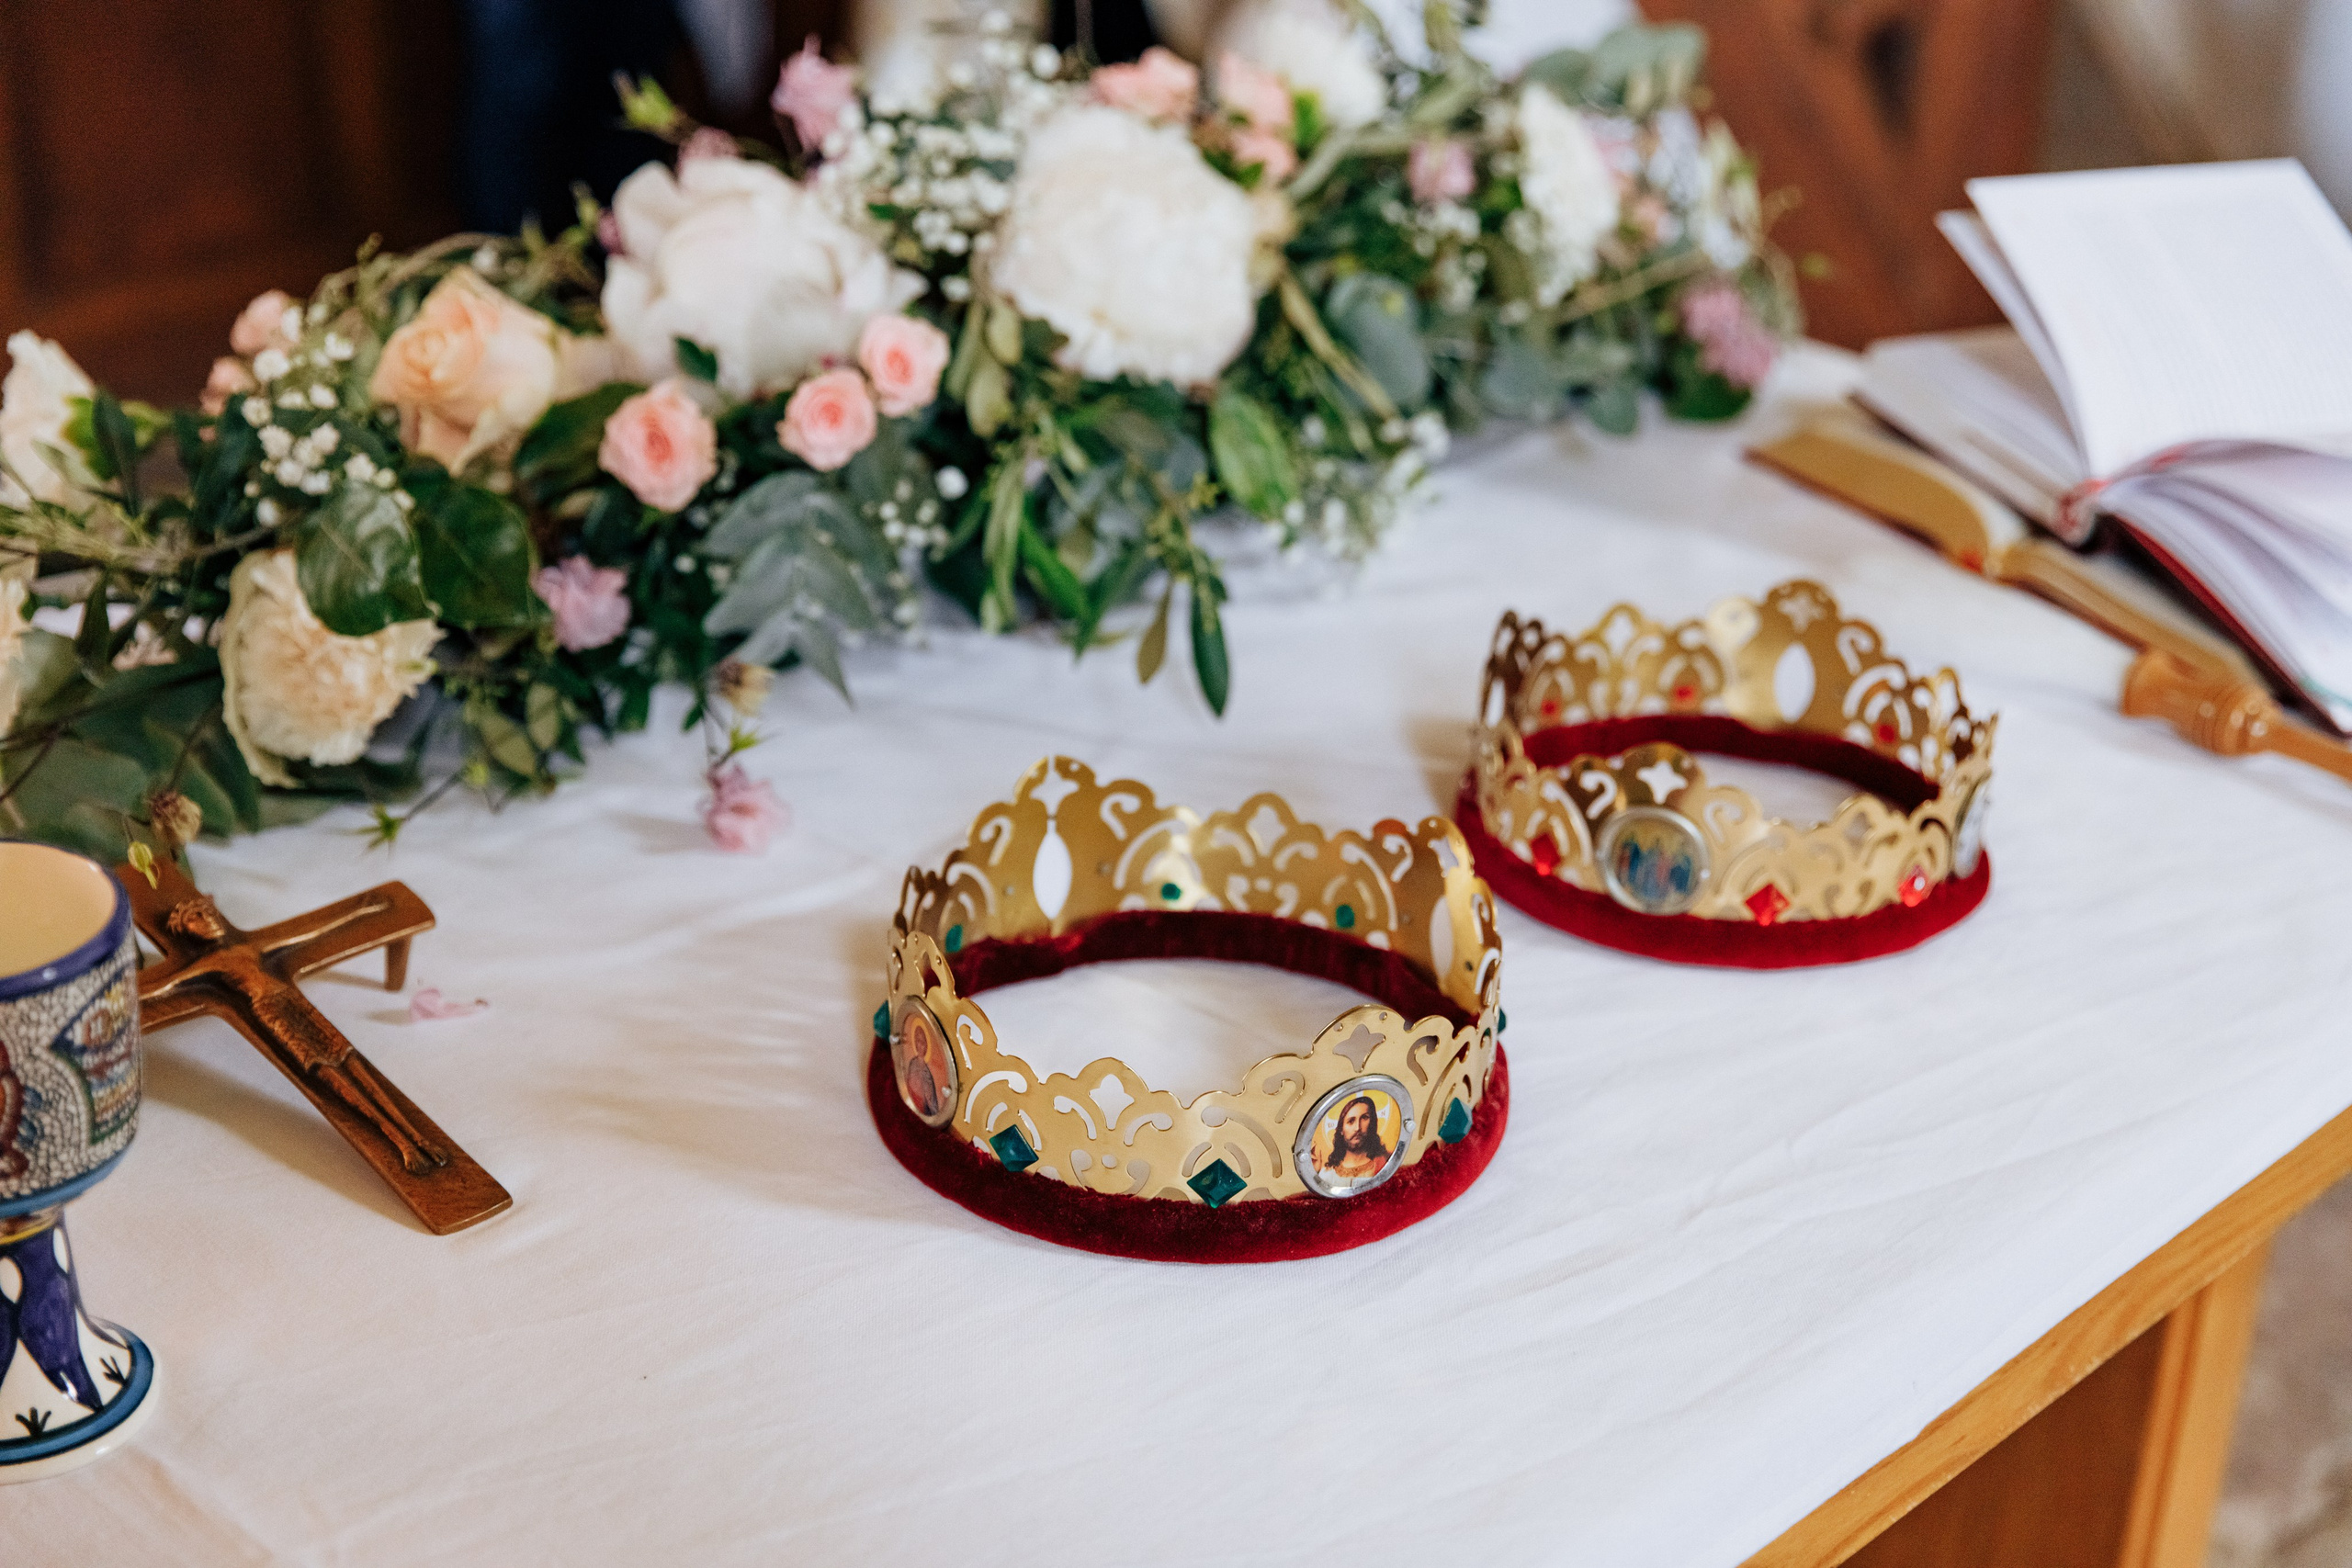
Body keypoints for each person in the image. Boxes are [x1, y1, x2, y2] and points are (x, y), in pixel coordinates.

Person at [1319, 1093, 1391, 1184]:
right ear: (1341, 1129)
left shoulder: (1386, 1162)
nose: (1357, 1128)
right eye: (1351, 1121)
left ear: (1372, 1123)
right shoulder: (1327, 1175)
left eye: (1364, 1118)